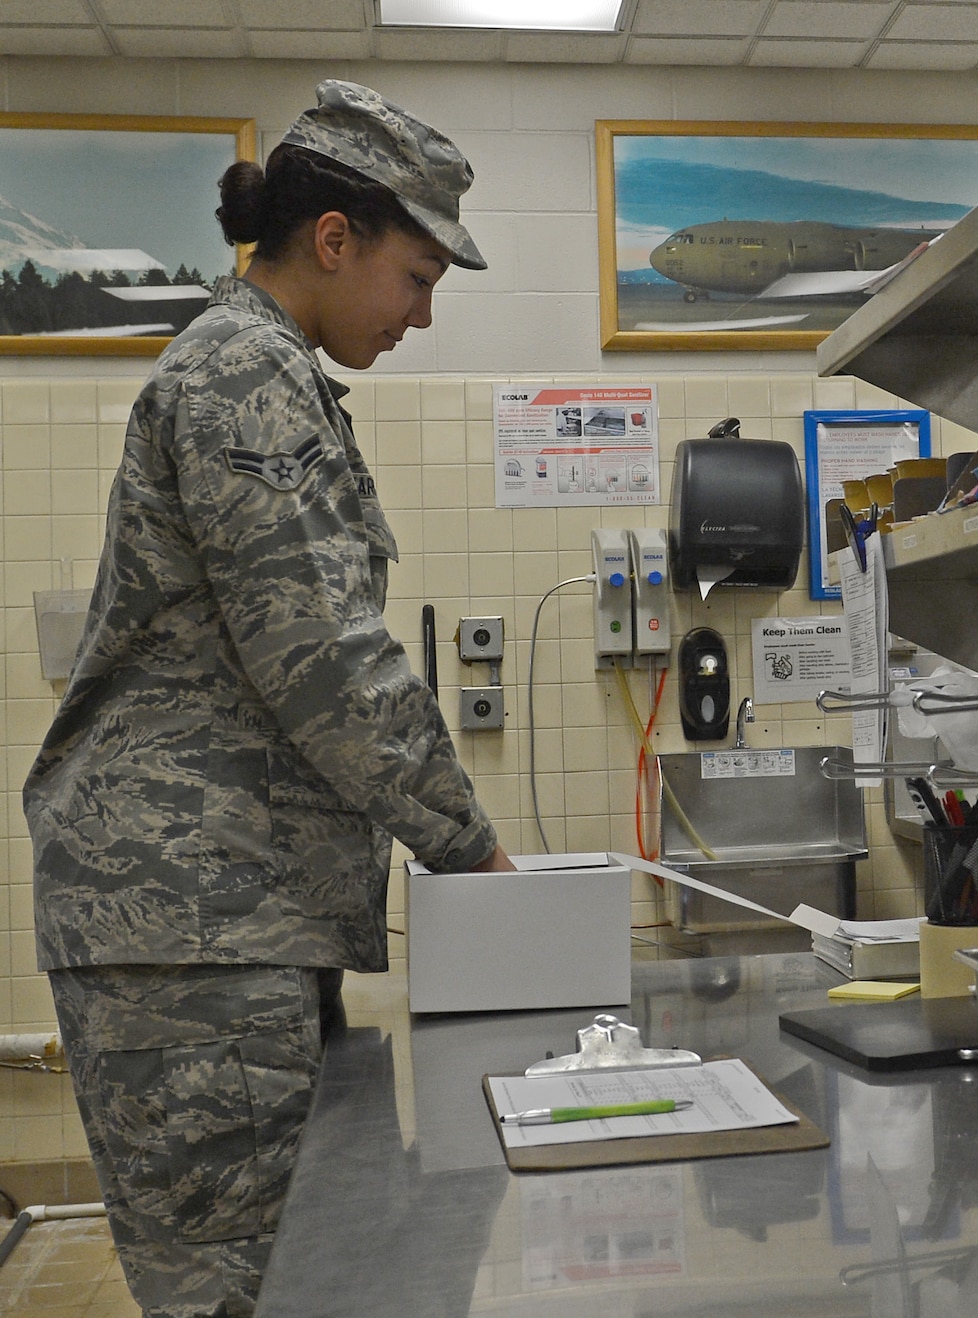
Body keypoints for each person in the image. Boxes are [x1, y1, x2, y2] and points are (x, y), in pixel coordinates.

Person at [23, 80, 514, 1318]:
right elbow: (327, 658)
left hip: (226, 922)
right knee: (241, 1294)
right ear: (333, 237)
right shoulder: (244, 375)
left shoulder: (260, 369)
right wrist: (471, 849)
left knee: (297, 1281)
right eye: (416, 276)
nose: (422, 313)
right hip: (195, 926)